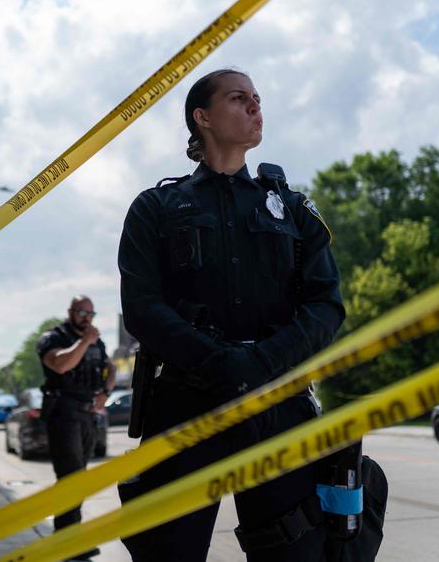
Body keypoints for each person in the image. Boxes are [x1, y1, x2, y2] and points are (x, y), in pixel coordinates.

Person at [117, 68, 345, 561]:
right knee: (167, 553)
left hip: (278, 407)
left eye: (258, 98)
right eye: (239, 98)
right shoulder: (156, 207)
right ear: (202, 118)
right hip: (184, 406)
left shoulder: (293, 208)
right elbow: (142, 308)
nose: (255, 107)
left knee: (296, 553)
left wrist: (260, 363)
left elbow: (327, 305)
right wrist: (221, 364)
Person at [37, 295, 116, 560]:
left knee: (79, 479)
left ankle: (71, 538)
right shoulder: (54, 338)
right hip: (63, 413)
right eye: (82, 313)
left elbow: (110, 366)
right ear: (70, 312)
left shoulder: (96, 341)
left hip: (87, 415)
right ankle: (65, 543)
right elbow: (61, 365)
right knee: (69, 478)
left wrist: (106, 391)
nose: (87, 319)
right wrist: (85, 341)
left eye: (91, 314)